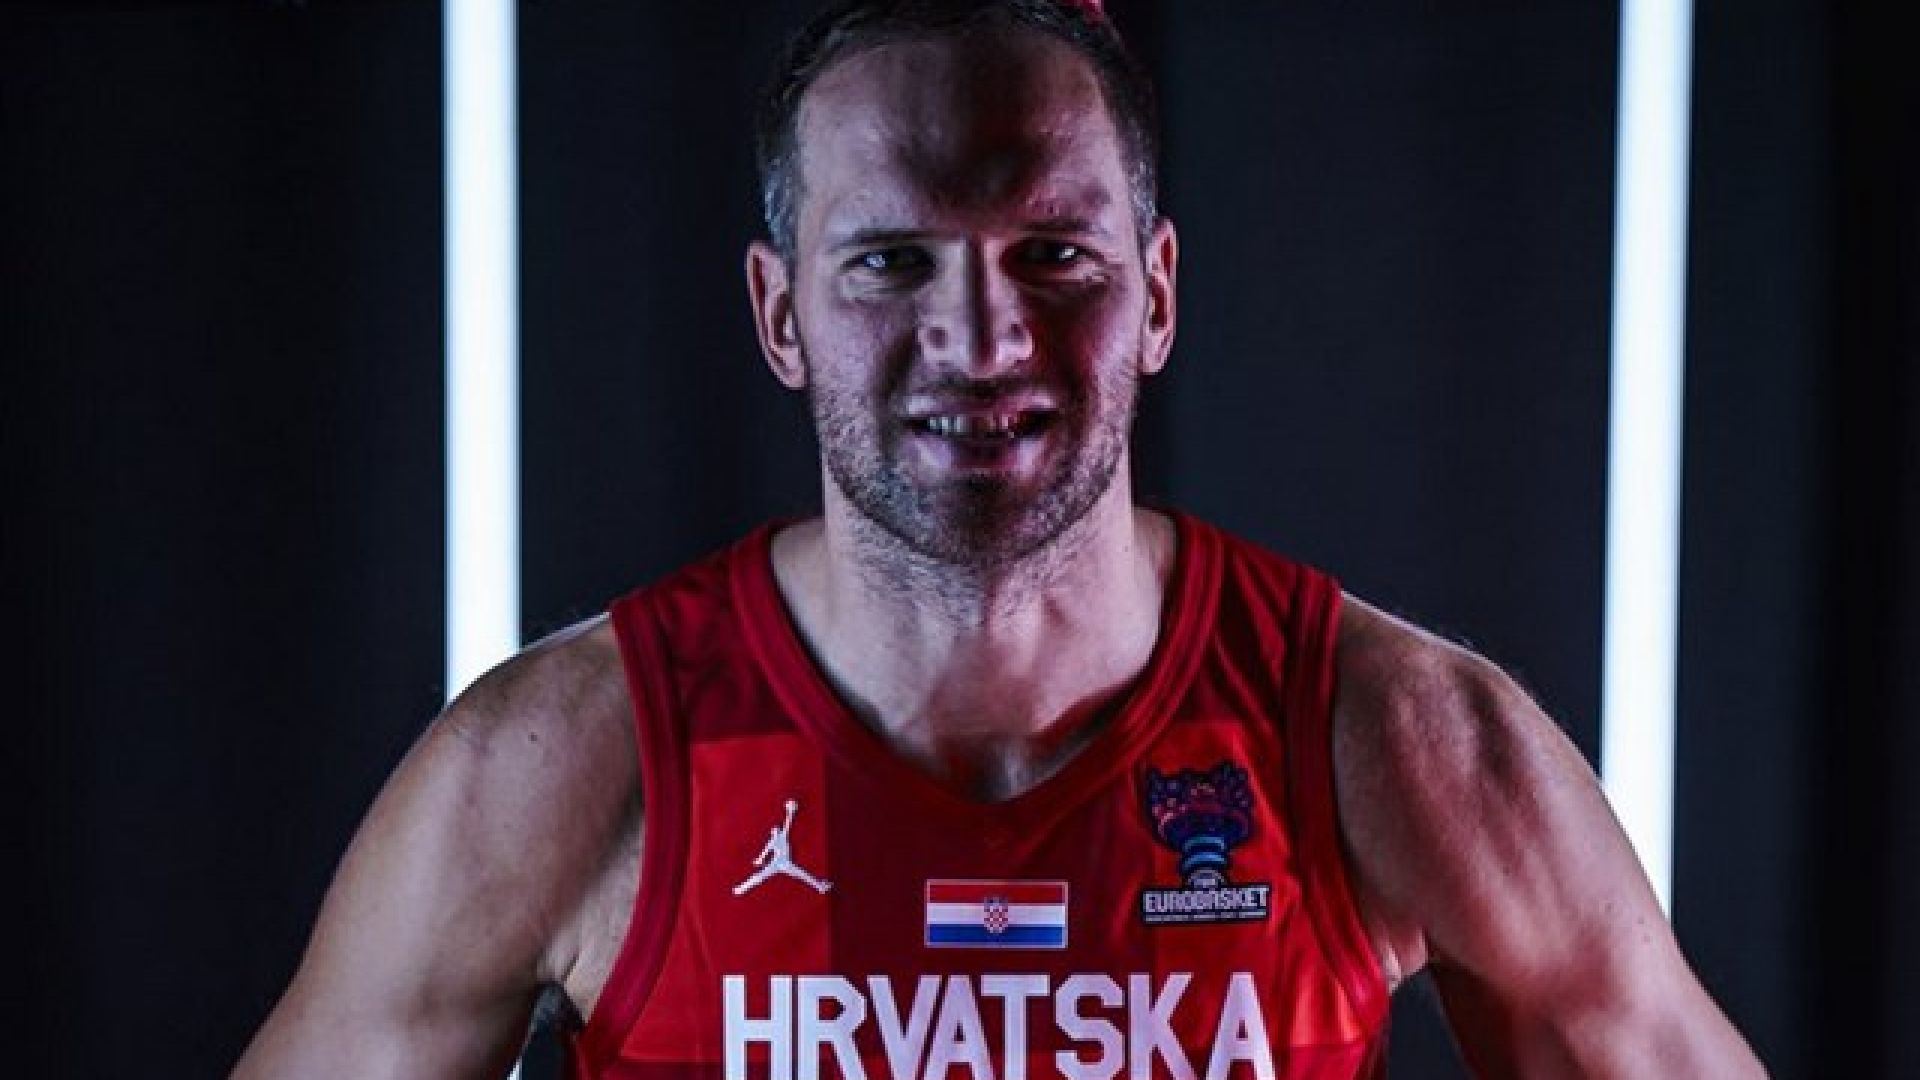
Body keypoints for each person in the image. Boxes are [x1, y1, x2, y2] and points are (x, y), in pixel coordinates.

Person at [232, 1, 1768, 1077]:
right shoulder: (562, 766)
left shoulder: (1393, 741)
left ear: (1156, 295)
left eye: (1052, 253)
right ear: (779, 312)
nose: (980, 338)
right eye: (893, 260)